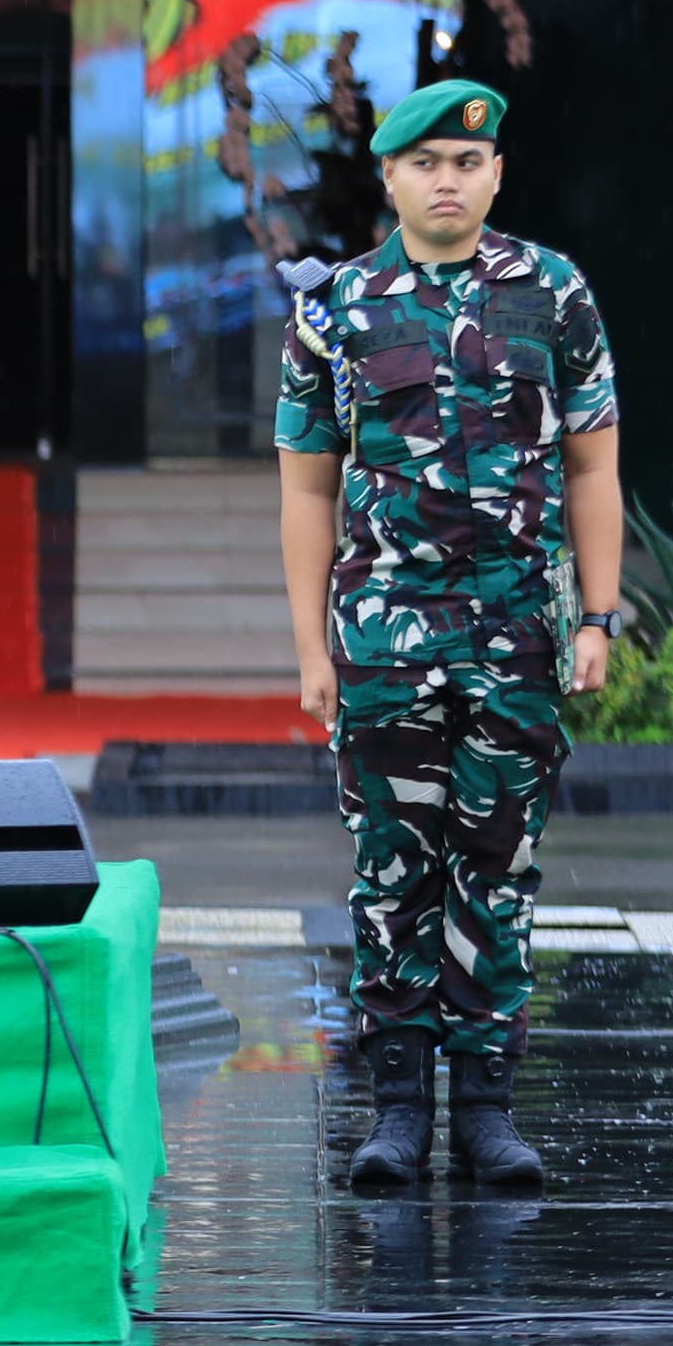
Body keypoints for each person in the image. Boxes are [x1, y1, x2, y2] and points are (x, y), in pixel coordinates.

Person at [275, 82, 623, 1196]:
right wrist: (308, 647)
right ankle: (392, 1108)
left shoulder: (551, 292)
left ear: (495, 174)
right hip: (384, 627)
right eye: (422, 161)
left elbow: (592, 464)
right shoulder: (334, 308)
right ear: (385, 176)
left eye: (465, 162)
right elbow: (302, 490)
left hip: (514, 624)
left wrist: (595, 614)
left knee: (497, 862)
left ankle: (482, 1107)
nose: (444, 179)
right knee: (390, 863)